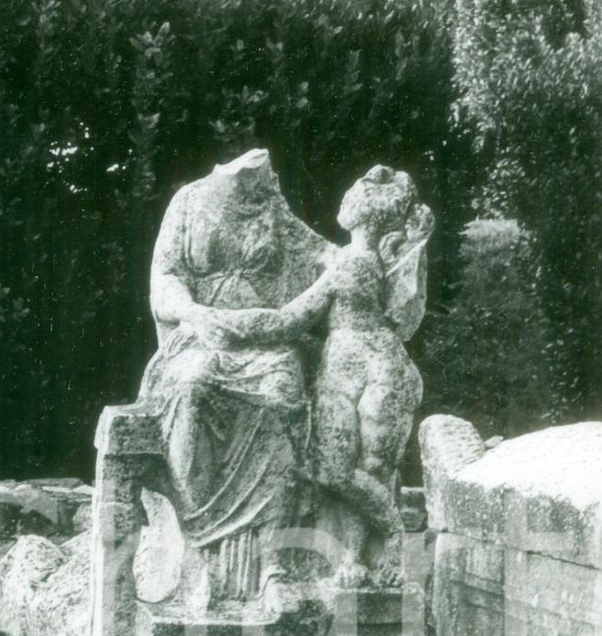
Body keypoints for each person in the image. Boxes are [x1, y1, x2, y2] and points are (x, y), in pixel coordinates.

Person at [138, 149, 334, 608]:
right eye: (256, 183)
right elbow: (164, 277)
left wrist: (371, 250)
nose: (265, 187)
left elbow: (322, 254)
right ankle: (198, 543)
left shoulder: (274, 211)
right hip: (199, 337)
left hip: (267, 344)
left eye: (267, 182)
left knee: (281, 395)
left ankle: (272, 567)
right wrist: (192, 313)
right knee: (191, 386)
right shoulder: (188, 203)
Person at [225, 165, 434, 585]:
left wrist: (226, 323)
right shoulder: (357, 257)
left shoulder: (353, 262)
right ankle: (363, 551)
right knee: (351, 469)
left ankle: (380, 544)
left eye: (353, 191)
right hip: (359, 366)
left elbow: (290, 319)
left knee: (356, 467)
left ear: (359, 210)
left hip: (368, 368)